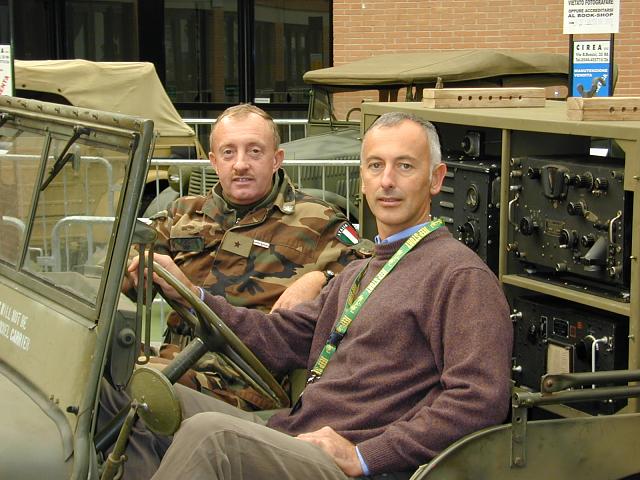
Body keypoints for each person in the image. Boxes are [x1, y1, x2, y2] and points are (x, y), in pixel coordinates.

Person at [110, 111, 513, 479]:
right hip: (298, 430)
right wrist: (191, 292)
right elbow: (278, 337)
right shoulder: (361, 270)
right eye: (376, 166)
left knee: (208, 434)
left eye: (405, 166)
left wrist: (367, 454)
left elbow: (478, 398)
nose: (387, 180)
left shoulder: (459, 275)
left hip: (347, 460)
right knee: (136, 398)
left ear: (436, 179)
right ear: (363, 178)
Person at [129, 104, 368, 410]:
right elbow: (124, 266)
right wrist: (130, 271)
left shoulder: (318, 220)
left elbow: (371, 270)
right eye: (228, 153)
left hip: (245, 382)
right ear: (214, 162)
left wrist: (321, 277)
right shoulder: (183, 214)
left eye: (254, 151)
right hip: (176, 360)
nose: (240, 164)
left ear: (276, 160)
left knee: (133, 393)